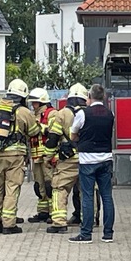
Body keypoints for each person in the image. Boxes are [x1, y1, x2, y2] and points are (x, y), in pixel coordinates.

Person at [0, 78, 40, 234]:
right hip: (15, 155)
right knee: (12, 188)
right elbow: (34, 132)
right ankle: (9, 224)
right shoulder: (24, 112)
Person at [68, 84, 115, 244]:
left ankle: (86, 234)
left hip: (87, 160)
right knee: (107, 196)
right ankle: (108, 234)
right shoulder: (110, 114)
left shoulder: (82, 113)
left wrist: (81, 138)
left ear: (89, 96)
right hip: (106, 159)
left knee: (87, 196)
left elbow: (73, 134)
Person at [44, 83, 88, 234]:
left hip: (67, 160)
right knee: (87, 191)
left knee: (59, 189)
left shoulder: (61, 114)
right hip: (87, 158)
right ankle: (89, 220)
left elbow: (53, 137)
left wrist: (47, 157)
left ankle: (59, 223)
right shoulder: (90, 113)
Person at [27, 87, 56, 223]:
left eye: (35, 103)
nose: (33, 105)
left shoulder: (52, 114)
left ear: (42, 102)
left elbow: (53, 131)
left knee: (50, 185)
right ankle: (43, 212)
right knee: (39, 186)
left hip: (47, 157)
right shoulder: (32, 115)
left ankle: (54, 212)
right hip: (35, 156)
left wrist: (39, 126)